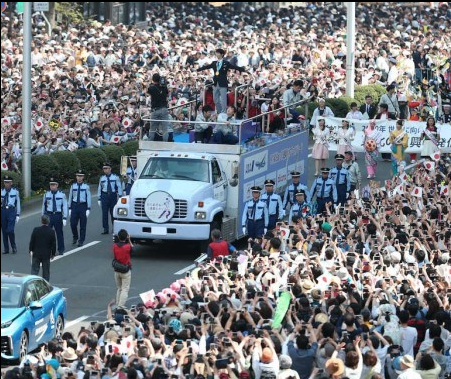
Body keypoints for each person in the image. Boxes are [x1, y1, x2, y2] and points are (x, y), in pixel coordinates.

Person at [196, 48, 247, 114]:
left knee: (223, 99)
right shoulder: (214, 63)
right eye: (216, 53)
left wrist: (242, 69)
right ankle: (220, 112)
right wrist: (198, 69)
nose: (216, 54)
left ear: (222, 54)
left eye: (218, 53)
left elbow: (234, 67)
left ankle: (223, 112)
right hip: (215, 83)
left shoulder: (226, 63)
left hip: (223, 83)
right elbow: (207, 67)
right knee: (215, 99)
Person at [42, 178, 68, 255]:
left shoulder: (62, 194)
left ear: (57, 185)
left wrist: (65, 217)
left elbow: (65, 206)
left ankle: (61, 249)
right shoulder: (46, 194)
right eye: (51, 185)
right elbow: (44, 206)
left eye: (53, 185)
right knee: (48, 234)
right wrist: (43, 217)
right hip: (49, 215)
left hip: (57, 215)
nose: (52, 186)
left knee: (59, 233)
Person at [29, 215, 56, 282]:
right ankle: (45, 285)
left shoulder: (36, 230)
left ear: (41, 221)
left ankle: (32, 283)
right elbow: (53, 244)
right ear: (48, 222)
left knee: (34, 270)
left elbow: (32, 241)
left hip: (36, 253)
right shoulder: (51, 231)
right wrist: (53, 253)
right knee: (46, 272)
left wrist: (30, 250)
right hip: (46, 255)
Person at [68, 169, 91, 247]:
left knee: (82, 225)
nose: (79, 178)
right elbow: (70, 197)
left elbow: (88, 198)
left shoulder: (86, 186)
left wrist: (88, 208)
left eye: (81, 176)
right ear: (76, 176)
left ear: (83, 177)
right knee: (73, 224)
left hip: (83, 206)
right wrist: (69, 208)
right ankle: (75, 236)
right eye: (78, 176)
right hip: (74, 206)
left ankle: (81, 240)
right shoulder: (73, 186)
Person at [98, 162, 122, 234]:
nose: (105, 170)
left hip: (112, 195)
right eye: (104, 169)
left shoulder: (115, 177)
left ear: (110, 169)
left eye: (106, 168)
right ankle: (105, 228)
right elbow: (100, 188)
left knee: (113, 213)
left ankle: (114, 227)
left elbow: (119, 186)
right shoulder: (102, 178)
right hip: (104, 196)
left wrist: (120, 196)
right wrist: (99, 198)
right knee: (104, 213)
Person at [147, 73, 170, 141]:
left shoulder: (151, 88)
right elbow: (167, 94)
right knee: (165, 128)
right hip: (164, 109)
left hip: (155, 110)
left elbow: (147, 92)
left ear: (153, 79)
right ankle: (165, 144)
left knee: (152, 129)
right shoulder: (164, 87)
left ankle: (150, 143)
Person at [113, 228, 132, 309]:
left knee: (119, 288)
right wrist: (129, 240)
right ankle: (121, 305)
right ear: (126, 237)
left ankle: (118, 303)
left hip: (117, 268)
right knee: (125, 288)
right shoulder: (127, 247)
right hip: (125, 269)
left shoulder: (114, 246)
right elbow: (132, 248)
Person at [1, 175, 20, 254]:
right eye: (5, 182)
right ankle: (6, 249)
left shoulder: (15, 191)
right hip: (3, 211)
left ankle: (13, 246)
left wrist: (18, 214)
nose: (6, 184)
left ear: (11, 183)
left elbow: (18, 203)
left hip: (11, 211)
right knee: (4, 231)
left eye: (8, 182)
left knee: (10, 230)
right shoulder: (1, 191)